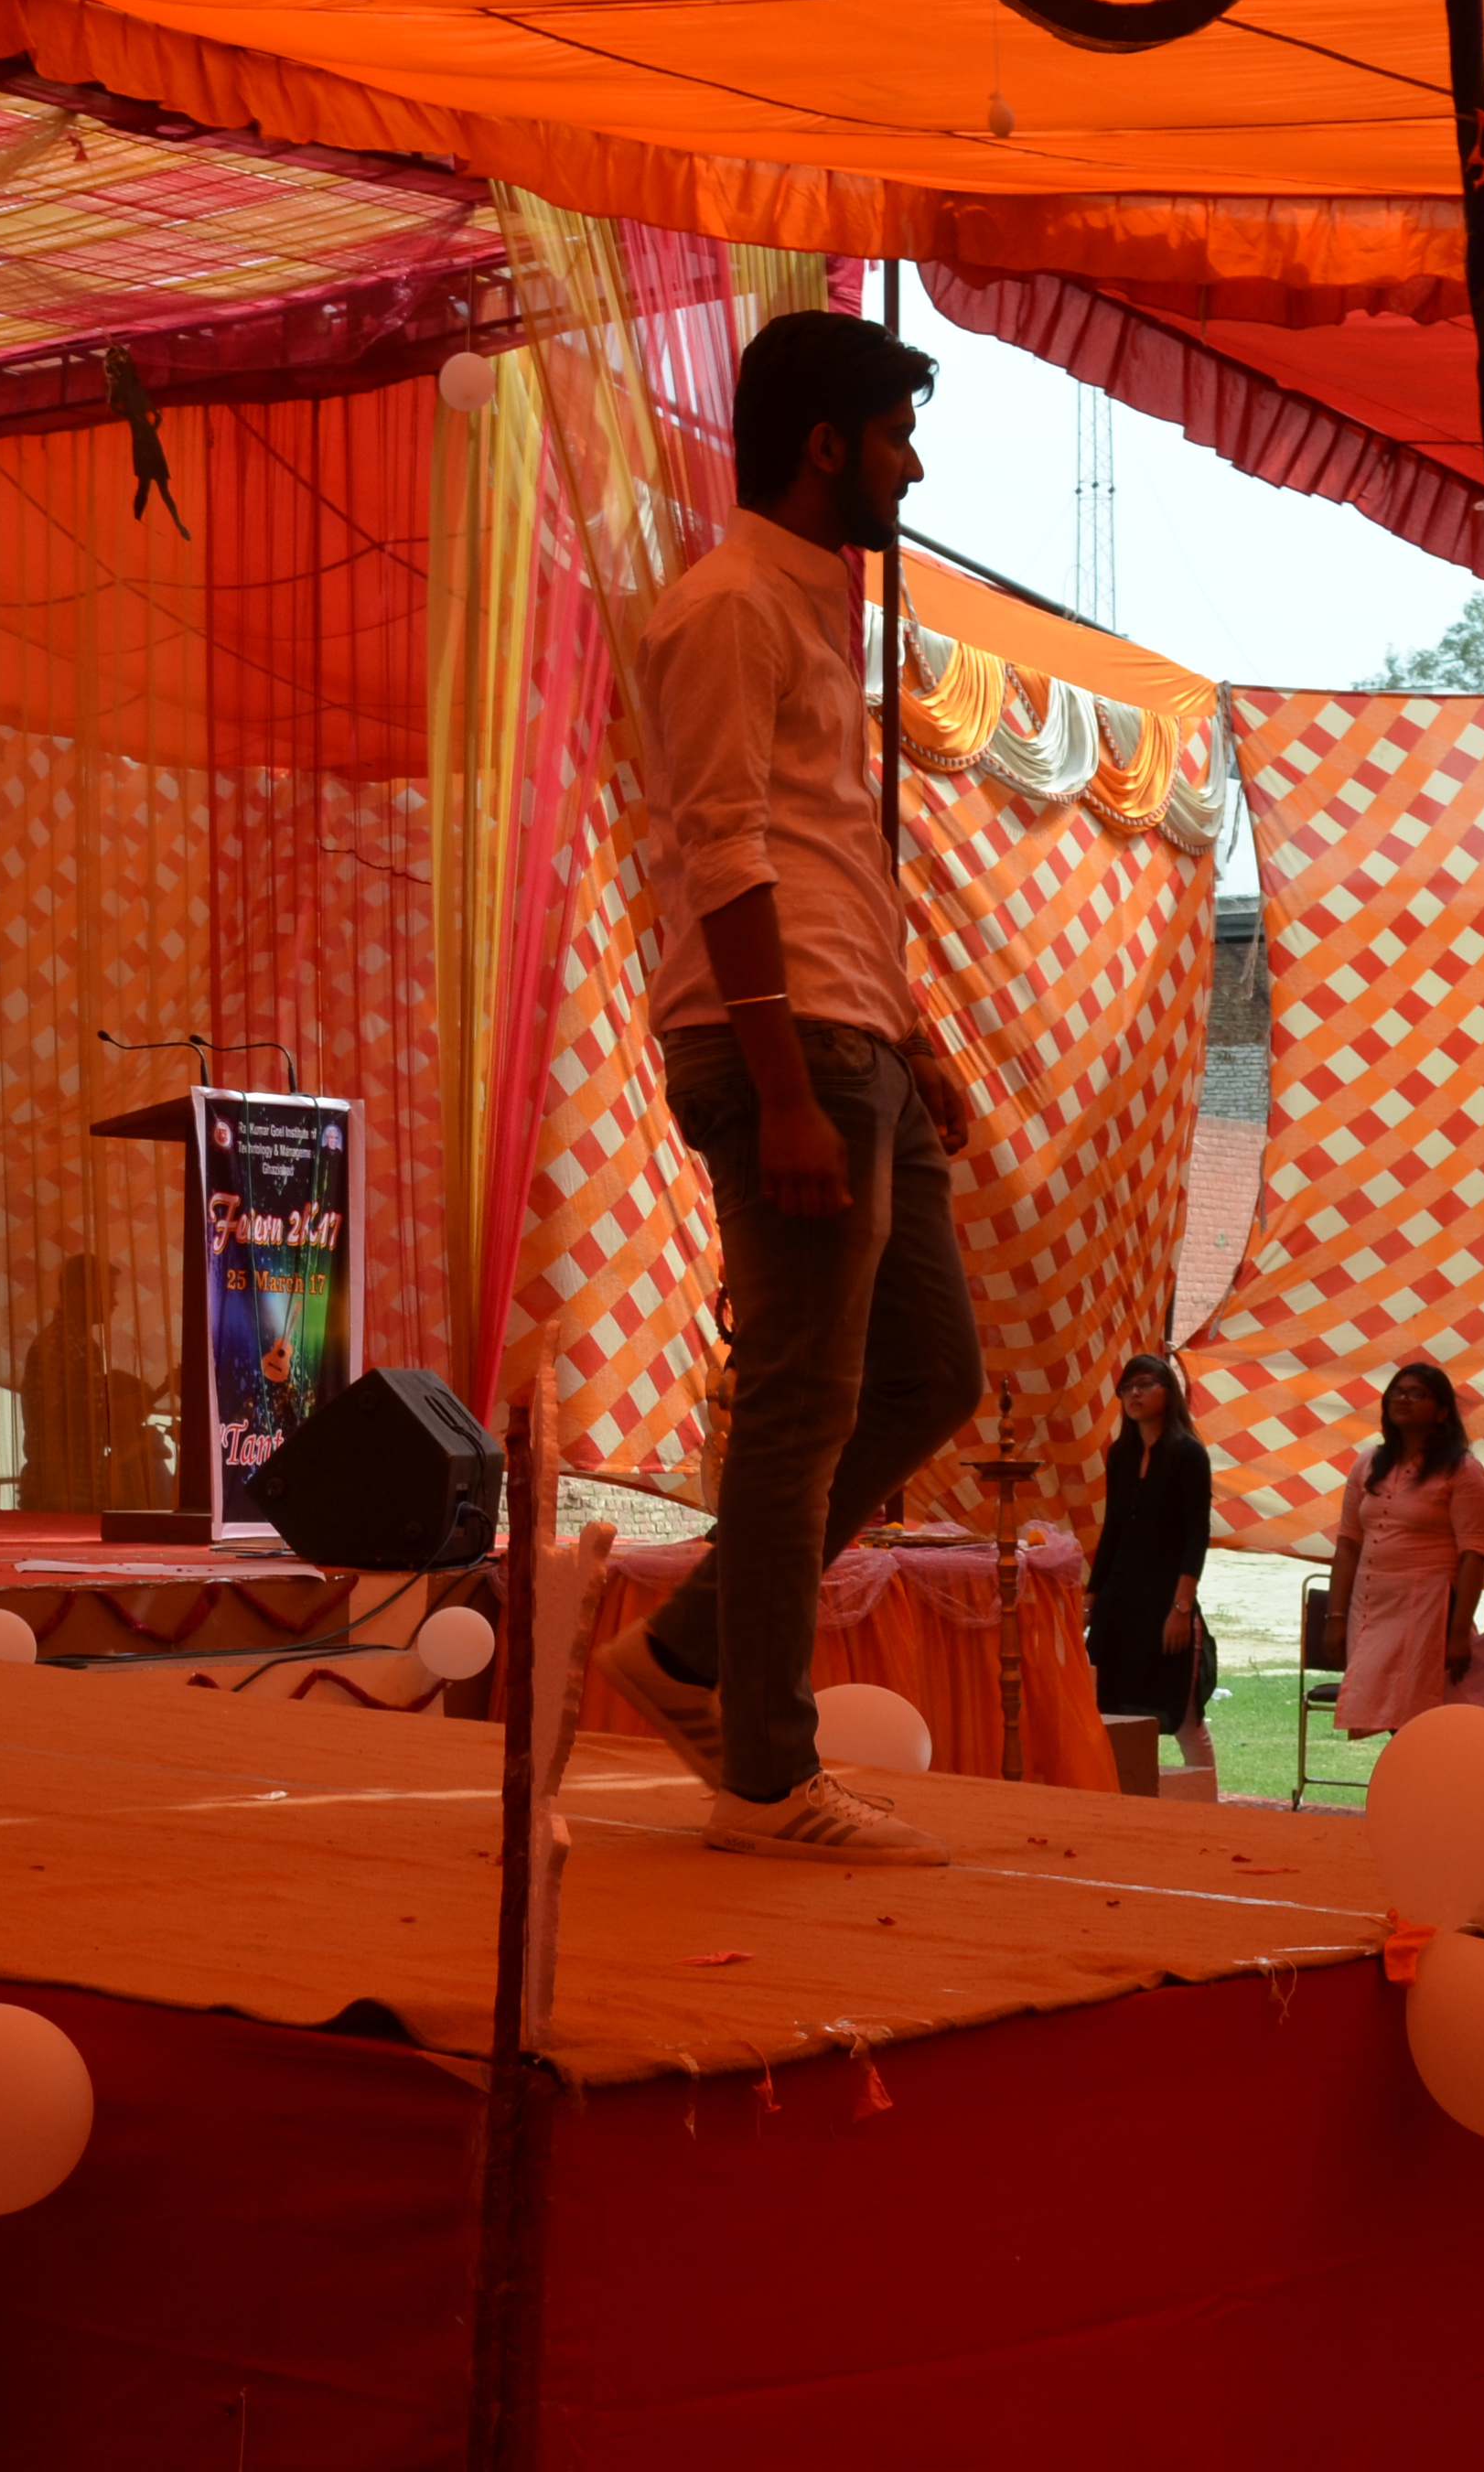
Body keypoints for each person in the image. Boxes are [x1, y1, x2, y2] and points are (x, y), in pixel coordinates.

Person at [589, 310, 981, 1868]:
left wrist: (911, 1034)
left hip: (851, 1035)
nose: (912, 466)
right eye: (895, 435)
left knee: (927, 1373)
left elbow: (820, 855)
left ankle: (691, 1650)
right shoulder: (728, 605)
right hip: (785, 1050)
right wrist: (787, 1089)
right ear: (825, 445)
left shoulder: (808, 607)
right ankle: (764, 1775)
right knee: (800, 1406)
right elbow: (724, 848)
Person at [1323, 1362, 1484, 1738]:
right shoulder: (1368, 1463)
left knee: (1416, 1716)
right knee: (1381, 1707)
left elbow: (1474, 1555)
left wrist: (1458, 1632)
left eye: (1416, 1394)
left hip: (1425, 1608)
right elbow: (1347, 1545)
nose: (1403, 1399)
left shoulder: (1463, 1469)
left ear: (1442, 1413)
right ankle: (1411, 1775)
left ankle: (1426, 1775)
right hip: (1369, 1606)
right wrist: (1336, 1617)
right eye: (1397, 1392)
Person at [1086, 1349, 1214, 1771]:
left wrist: (1181, 1608)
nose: (1134, 1394)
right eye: (1127, 1387)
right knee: (1109, 1704)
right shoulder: (1120, 1454)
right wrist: (1091, 1597)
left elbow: (1197, 1536)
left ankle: (1204, 1801)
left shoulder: (1188, 1454)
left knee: (1181, 1712)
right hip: (1120, 1596)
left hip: (1166, 1598)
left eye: (1145, 1385)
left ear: (1169, 1392)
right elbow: (1112, 1529)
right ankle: (1124, 1794)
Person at [16, 1252, 167, 1512]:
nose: (114, 1302)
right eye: (108, 1292)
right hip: (61, 1493)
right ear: (78, 1293)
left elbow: (86, 1418)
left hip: (82, 1488)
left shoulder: (84, 1345)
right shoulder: (57, 1344)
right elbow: (53, 1420)